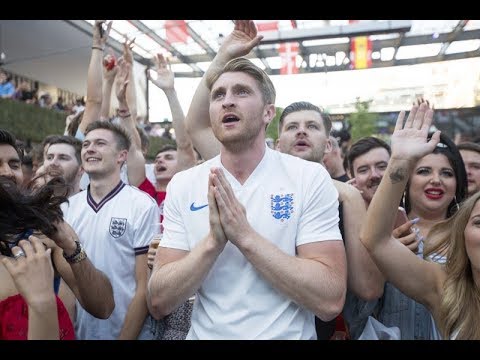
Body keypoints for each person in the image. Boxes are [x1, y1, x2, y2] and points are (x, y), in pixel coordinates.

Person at [148, 52, 346, 339]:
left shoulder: (308, 177)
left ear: (268, 113)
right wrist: (213, 243)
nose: (227, 100)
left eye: (241, 92)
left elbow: (330, 300)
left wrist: (245, 237)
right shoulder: (185, 183)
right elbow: (159, 301)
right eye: (218, 95)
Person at [360, 101, 480, 339]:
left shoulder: (465, 241)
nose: (436, 180)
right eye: (424, 171)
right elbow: (374, 240)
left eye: (447, 173)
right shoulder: (442, 286)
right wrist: (400, 161)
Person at [62, 120, 160, 339]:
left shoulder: (142, 205)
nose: (89, 149)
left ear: (121, 156)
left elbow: (144, 287)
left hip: (128, 332)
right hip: (80, 332)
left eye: (100, 143)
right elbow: (68, 284)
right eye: (86, 144)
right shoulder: (66, 209)